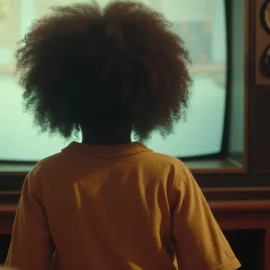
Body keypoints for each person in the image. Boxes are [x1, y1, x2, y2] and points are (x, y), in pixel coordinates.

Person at [5, 1, 241, 270]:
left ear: (61, 99)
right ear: (150, 99)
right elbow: (213, 265)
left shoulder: (44, 177)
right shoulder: (169, 175)